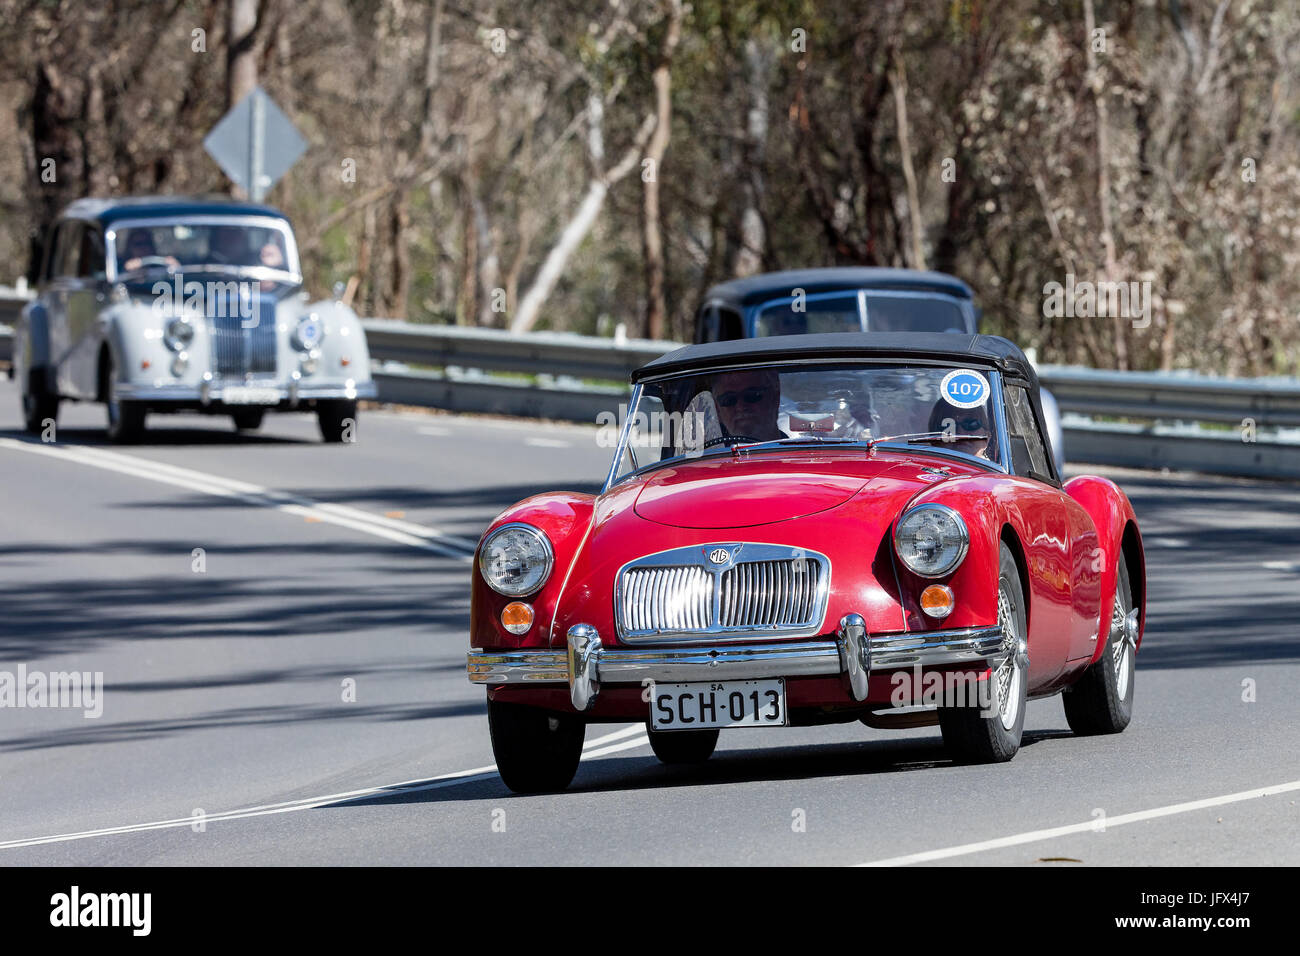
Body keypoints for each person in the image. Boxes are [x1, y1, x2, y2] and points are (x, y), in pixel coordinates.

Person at [712, 368, 784, 441]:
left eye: (752, 395)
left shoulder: (795, 448)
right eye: (728, 399)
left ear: (775, 397)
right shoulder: (704, 452)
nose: (740, 407)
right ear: (717, 410)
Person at [927, 398, 994, 460]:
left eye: (971, 424)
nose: (960, 434)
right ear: (934, 438)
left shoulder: (996, 472)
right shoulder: (923, 471)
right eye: (948, 426)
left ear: (987, 437)